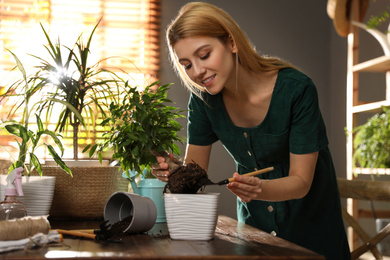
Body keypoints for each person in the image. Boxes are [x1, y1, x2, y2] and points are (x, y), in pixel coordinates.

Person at [153, 2, 350, 259]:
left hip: (312, 235)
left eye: (204, 55)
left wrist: (259, 190)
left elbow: (301, 182)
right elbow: (195, 172)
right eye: (187, 64)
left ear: (231, 43)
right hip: (254, 236)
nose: (198, 72)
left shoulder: (297, 90)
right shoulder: (203, 100)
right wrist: (175, 171)